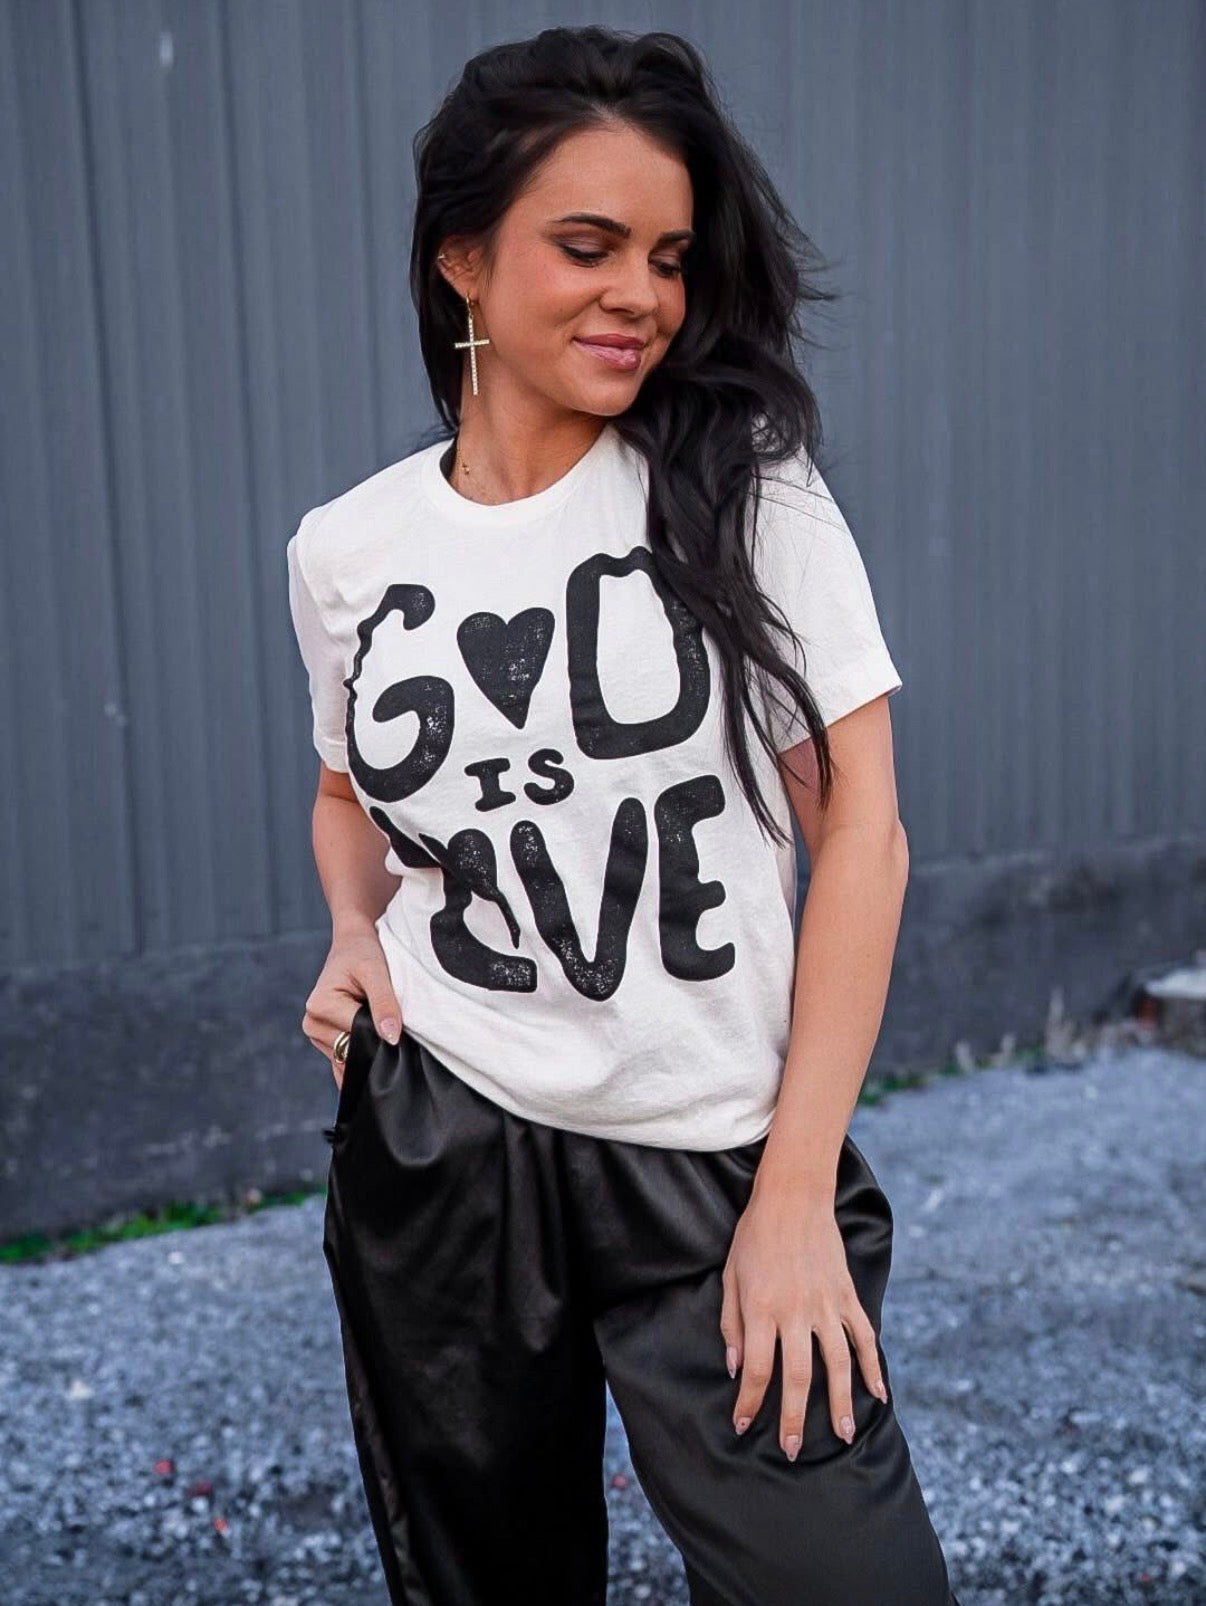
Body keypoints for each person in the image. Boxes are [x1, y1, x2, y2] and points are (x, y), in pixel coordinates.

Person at [285, 24, 962, 1606]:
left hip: (709, 1152)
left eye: (663, 255)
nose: (640, 295)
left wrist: (794, 1195)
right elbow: (342, 796)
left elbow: (859, 828)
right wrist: (349, 929)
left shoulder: (739, 480)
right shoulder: (347, 545)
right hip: (446, 1143)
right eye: (584, 247)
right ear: (462, 258)